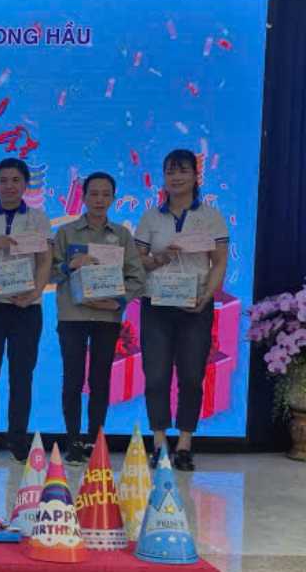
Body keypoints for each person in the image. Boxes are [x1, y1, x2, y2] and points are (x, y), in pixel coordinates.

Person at [134, 149, 229, 471]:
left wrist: (208, 295)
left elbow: (219, 262)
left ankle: (185, 443)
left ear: (195, 176)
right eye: (170, 172)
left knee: (191, 376)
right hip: (156, 305)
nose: (176, 177)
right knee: (156, 376)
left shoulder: (211, 216)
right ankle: (159, 442)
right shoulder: (151, 217)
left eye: (183, 171)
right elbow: (137, 262)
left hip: (194, 306)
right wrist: (159, 256)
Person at [51, 172, 146, 465]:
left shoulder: (121, 235)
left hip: (107, 316)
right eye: (94, 193)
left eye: (106, 194)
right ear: (83, 196)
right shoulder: (66, 233)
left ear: (113, 199)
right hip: (73, 315)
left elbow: (137, 278)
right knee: (73, 378)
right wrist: (70, 264)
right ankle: (73, 441)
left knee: (100, 379)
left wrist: (117, 300)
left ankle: (95, 439)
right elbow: (50, 272)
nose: (99, 199)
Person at [0, 157, 53, 463]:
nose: (9, 186)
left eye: (16, 180)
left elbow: (45, 261)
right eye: (3, 180)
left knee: (21, 375)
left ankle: (18, 440)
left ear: (25, 184)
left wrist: (35, 293)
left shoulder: (39, 218)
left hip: (26, 307)